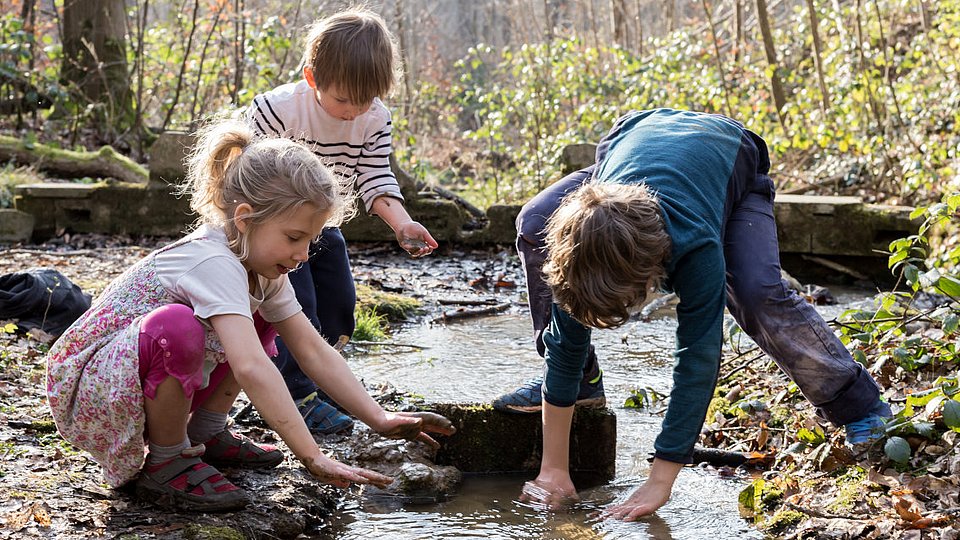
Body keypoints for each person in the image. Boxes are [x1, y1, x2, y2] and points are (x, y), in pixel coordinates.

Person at [497, 108, 891, 519]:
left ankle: (860, 407)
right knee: (536, 221)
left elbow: (697, 360)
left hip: (732, 157)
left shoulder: (696, 247)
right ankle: (583, 383)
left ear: (653, 275)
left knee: (756, 292)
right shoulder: (577, 248)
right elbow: (566, 336)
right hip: (633, 137)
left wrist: (660, 479)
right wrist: (553, 471)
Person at [45, 119, 454, 512]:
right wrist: (311, 456)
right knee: (178, 328)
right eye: (294, 238)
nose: (302, 255)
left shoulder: (259, 264)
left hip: (136, 382)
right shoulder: (213, 261)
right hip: (94, 391)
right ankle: (166, 462)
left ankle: (205, 430)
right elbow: (253, 366)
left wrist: (378, 417)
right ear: (244, 219)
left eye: (311, 241)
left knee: (257, 318)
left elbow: (311, 348)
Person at [247, 7, 437, 436]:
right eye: (342, 100)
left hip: (325, 228)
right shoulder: (277, 110)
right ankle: (297, 395)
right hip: (275, 230)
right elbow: (249, 175)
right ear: (312, 78)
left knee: (338, 308)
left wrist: (402, 223)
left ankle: (324, 381)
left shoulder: (374, 118)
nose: (352, 112)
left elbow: (374, 176)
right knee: (298, 308)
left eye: (364, 100)